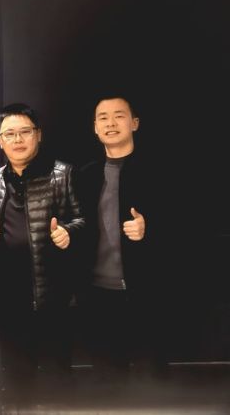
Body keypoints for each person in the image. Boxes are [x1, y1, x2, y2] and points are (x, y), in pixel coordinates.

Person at [0, 103, 84, 401]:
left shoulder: (62, 174)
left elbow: (82, 219)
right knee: (16, 381)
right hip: (8, 300)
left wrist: (68, 232)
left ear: (38, 135)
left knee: (58, 379)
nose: (17, 140)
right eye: (9, 134)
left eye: (24, 132)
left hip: (53, 296)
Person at [76, 95, 165, 382]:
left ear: (134, 123)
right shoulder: (85, 175)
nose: (110, 123)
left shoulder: (159, 170)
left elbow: (186, 226)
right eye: (103, 118)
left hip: (147, 296)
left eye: (119, 116)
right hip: (98, 297)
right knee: (107, 385)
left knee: (150, 386)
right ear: (95, 127)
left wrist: (149, 228)